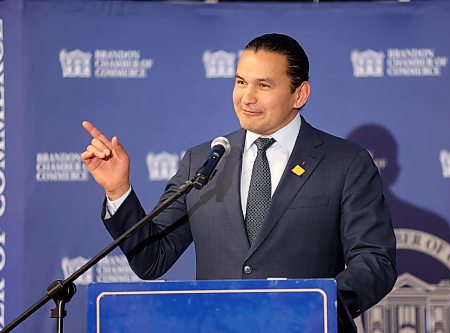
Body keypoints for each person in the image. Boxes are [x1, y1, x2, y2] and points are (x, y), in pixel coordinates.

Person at [81, 33, 396, 318]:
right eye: (241, 82)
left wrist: (313, 305)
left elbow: (374, 263)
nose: (247, 97)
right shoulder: (203, 162)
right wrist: (118, 190)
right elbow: (152, 259)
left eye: (263, 85)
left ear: (299, 95)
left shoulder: (346, 163)